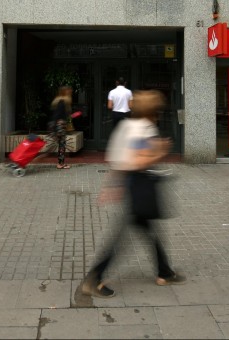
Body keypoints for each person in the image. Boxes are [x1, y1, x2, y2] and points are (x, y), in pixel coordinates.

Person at [82, 89, 185, 298]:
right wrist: (162, 151)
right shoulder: (145, 129)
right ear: (153, 111)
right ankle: (94, 277)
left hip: (131, 183)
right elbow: (138, 160)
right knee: (123, 236)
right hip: (140, 184)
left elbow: (117, 157)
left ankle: (164, 272)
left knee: (148, 229)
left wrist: (112, 185)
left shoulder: (126, 126)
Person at [50, 86, 73, 169]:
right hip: (60, 126)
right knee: (62, 145)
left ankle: (60, 163)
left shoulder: (60, 101)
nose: (70, 92)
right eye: (68, 91)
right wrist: (55, 128)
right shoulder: (62, 102)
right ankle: (60, 164)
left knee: (60, 145)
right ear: (65, 92)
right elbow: (57, 115)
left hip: (59, 125)